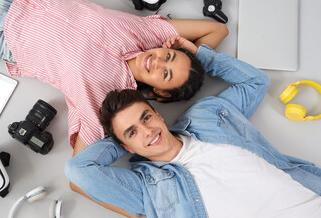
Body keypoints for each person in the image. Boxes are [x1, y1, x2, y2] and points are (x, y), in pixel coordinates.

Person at [0, 0, 228, 153]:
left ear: (160, 93)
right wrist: (190, 52)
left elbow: (81, 160)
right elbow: (218, 30)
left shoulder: (107, 101)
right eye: (169, 57)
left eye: (166, 74)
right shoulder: (149, 34)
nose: (158, 62)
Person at [65, 38, 321, 218]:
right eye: (132, 132)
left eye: (145, 118)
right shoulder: (148, 189)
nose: (148, 131)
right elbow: (78, 170)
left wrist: (200, 56)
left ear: (158, 114)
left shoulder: (206, 116)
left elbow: (256, 82)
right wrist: (124, 138)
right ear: (123, 146)